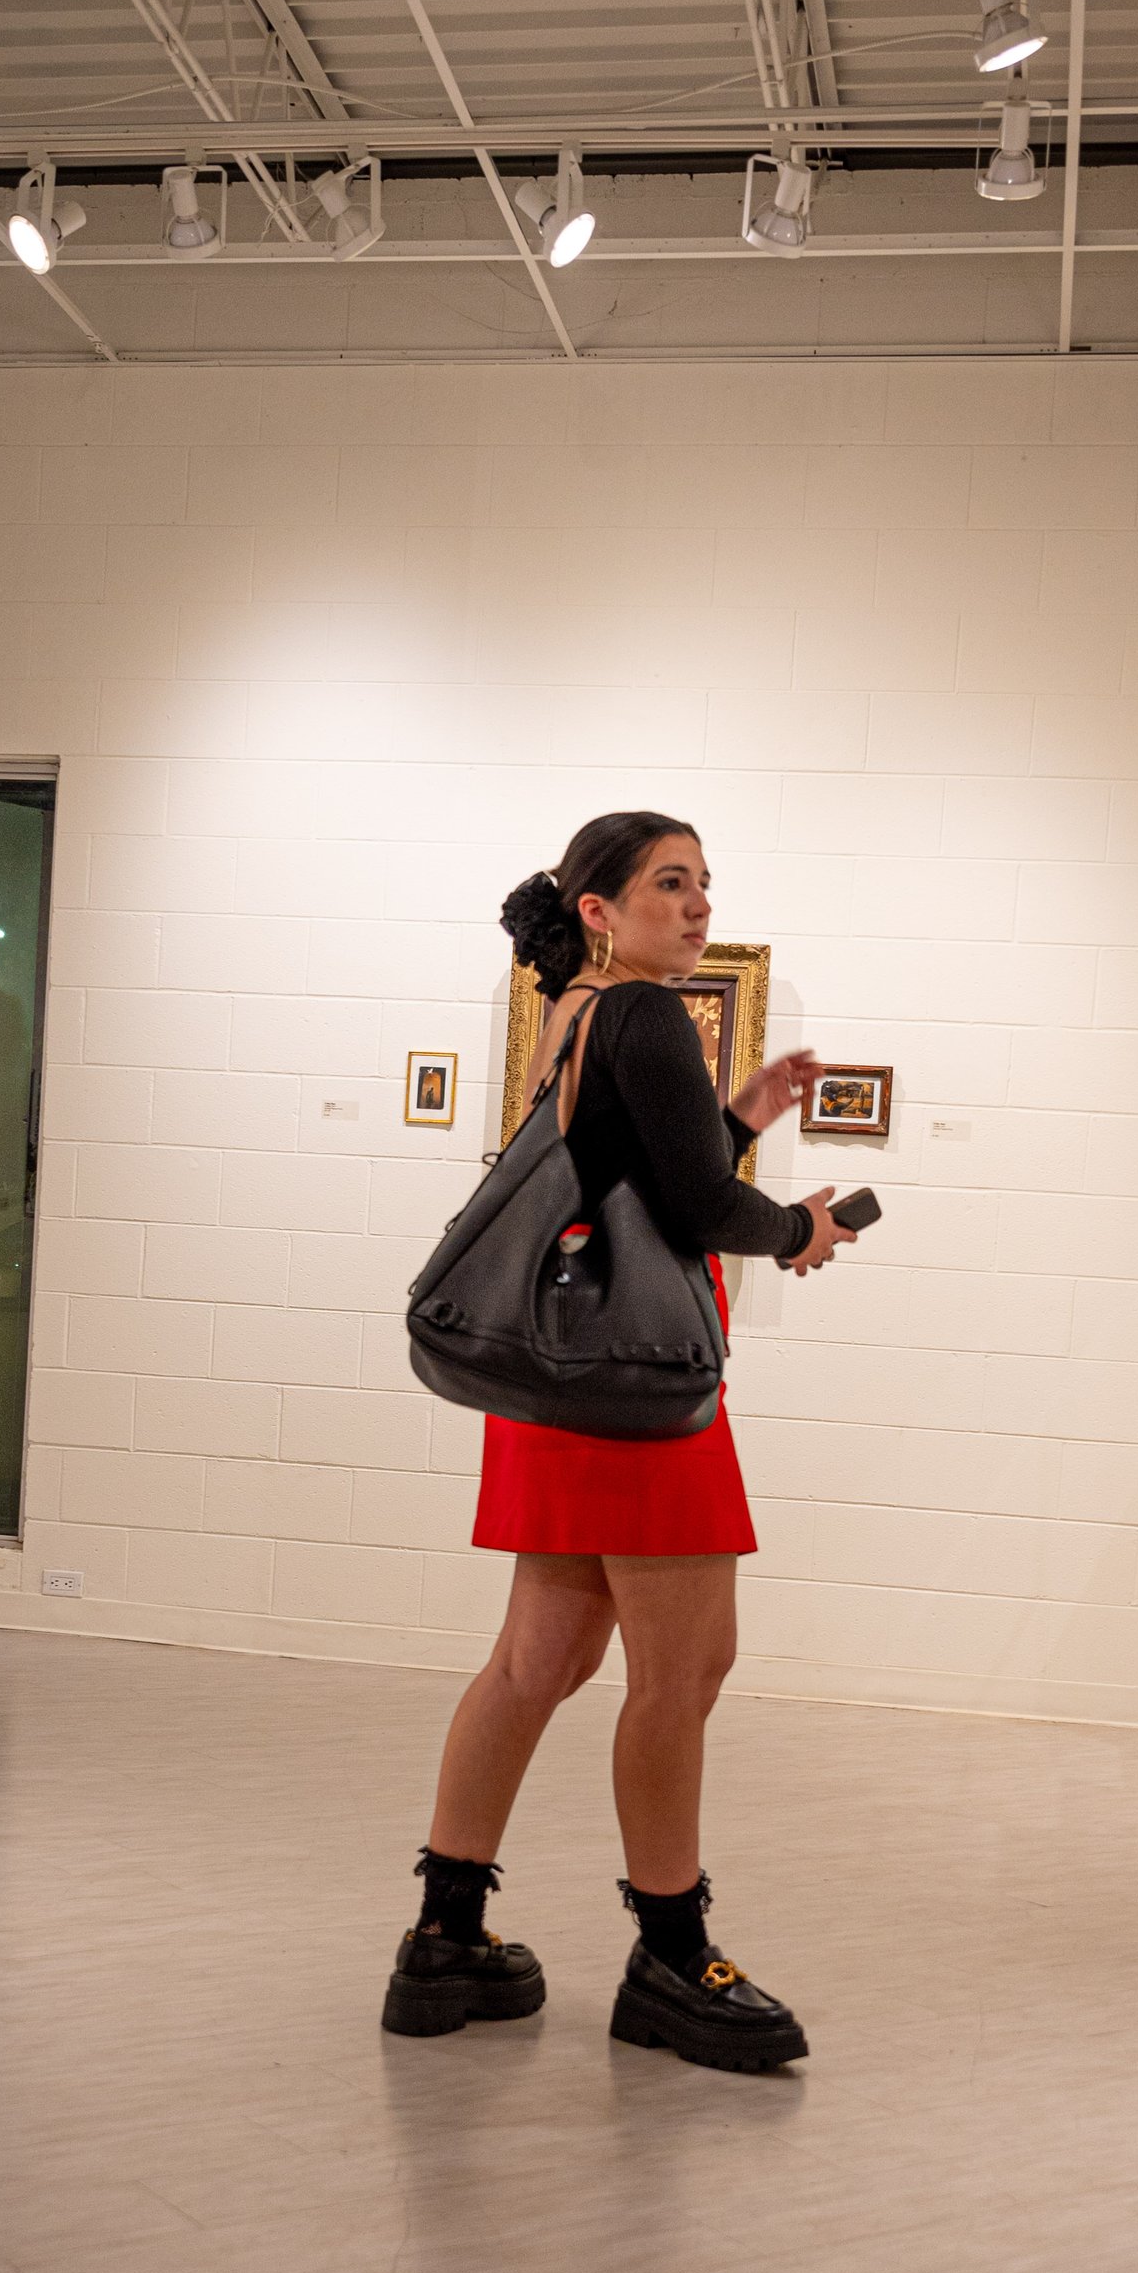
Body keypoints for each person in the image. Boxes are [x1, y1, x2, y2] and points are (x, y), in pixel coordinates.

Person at [383, 810, 857, 2074]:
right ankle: (669, 1957)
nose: (695, 905)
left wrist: (741, 1115)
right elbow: (700, 1208)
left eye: (704, 884)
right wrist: (794, 1227)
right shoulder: (642, 1014)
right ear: (596, 907)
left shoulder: (579, 1011)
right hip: (639, 1400)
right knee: (684, 1672)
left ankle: (446, 1937)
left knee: (534, 1664)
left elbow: (635, 1173)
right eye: (667, 883)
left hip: (558, 1397)